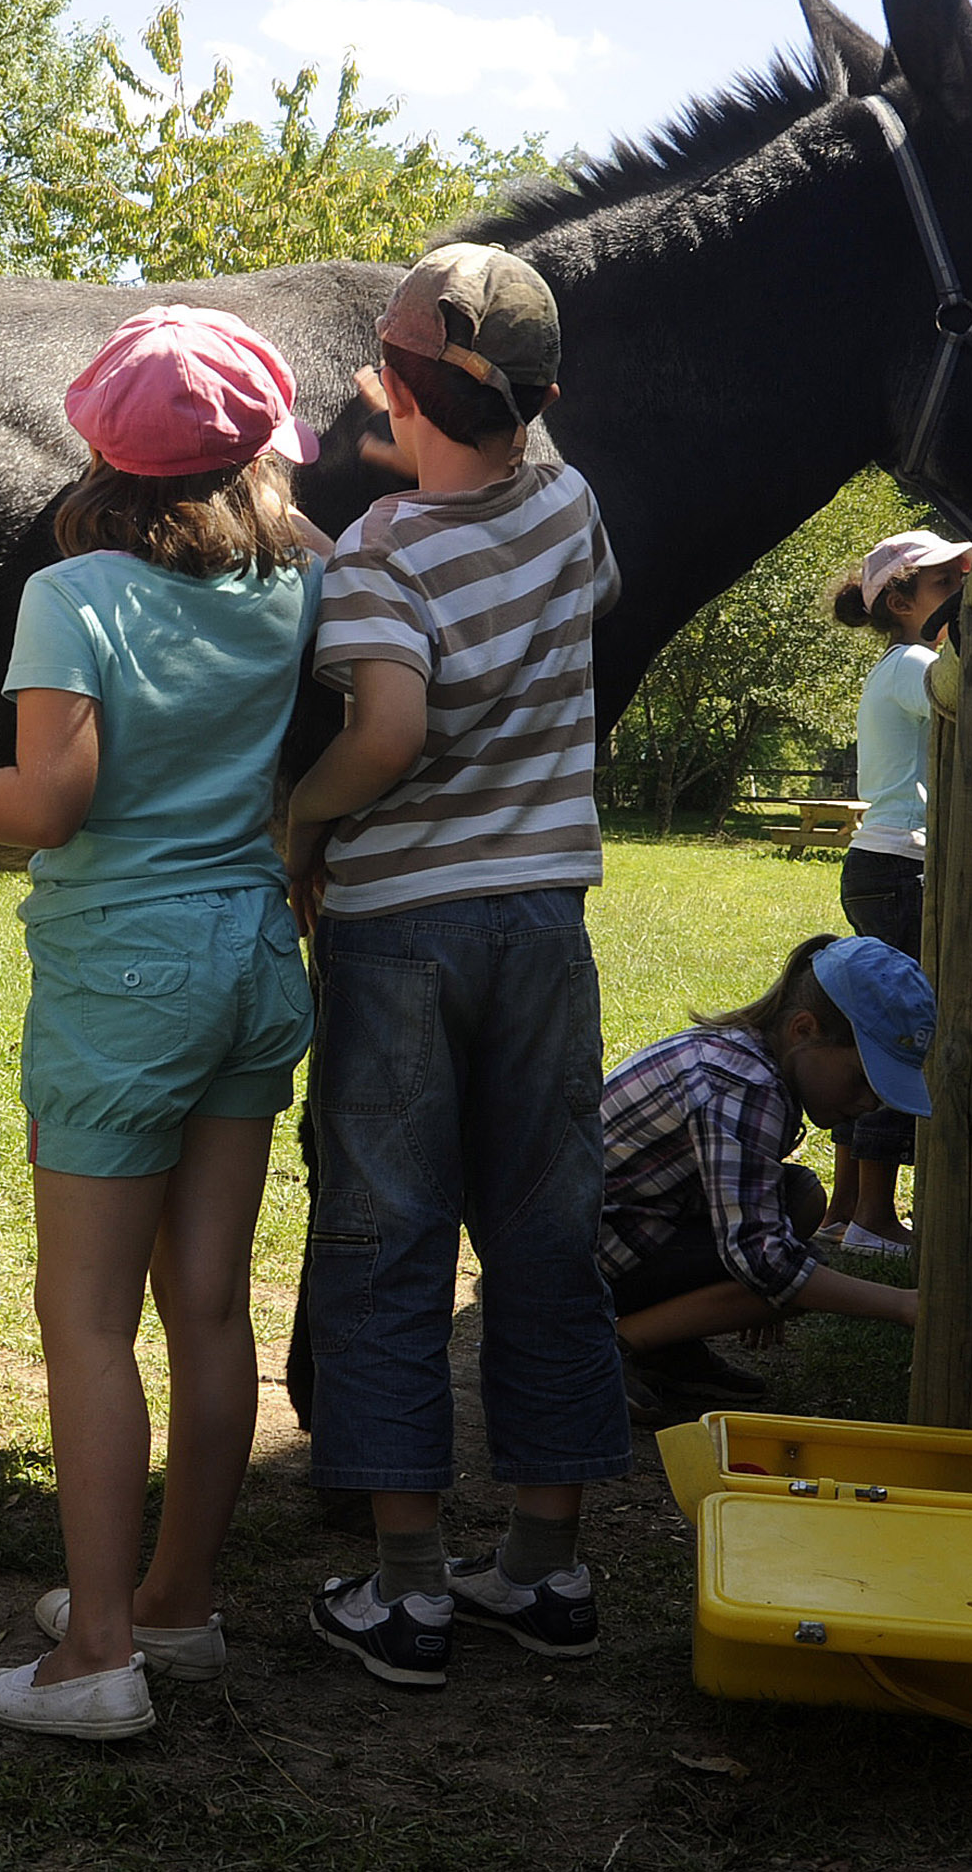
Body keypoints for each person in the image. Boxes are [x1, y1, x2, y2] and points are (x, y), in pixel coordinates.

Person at [0, 307, 322, 1741]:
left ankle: (98, 1655)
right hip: (253, 955)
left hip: (127, 970)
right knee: (213, 1304)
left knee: (86, 1320)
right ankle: (175, 1601)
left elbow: (52, 801)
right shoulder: (301, 576)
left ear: (99, 449)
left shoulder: (78, 593)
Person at [281, 242, 632, 1689]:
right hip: (544, 922)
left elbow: (385, 734)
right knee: (547, 1231)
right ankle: (543, 1565)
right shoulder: (569, 499)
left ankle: (408, 1585)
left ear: (397, 389)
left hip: (401, 931)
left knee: (387, 1233)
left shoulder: (379, 553)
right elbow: (540, 503)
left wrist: (299, 819)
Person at [599, 936, 929, 1419]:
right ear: (803, 1029)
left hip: (616, 1235)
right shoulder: (743, 1085)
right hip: (578, 1264)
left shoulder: (746, 1059)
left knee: (799, 1198)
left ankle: (666, 1348)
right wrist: (904, 1305)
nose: (870, 1103)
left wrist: (767, 1287)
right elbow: (765, 1262)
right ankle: (610, 1347)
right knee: (796, 1267)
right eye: (863, 1078)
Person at [821, 529, 972, 1255]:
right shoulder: (917, 666)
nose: (960, 595)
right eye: (945, 585)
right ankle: (873, 1221)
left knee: (873, 1026)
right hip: (900, 870)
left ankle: (844, 1206)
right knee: (899, 1035)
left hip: (881, 868)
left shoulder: (896, 664)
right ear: (902, 601)